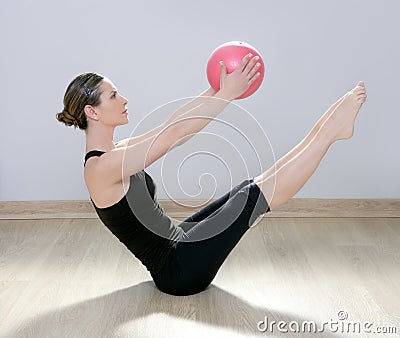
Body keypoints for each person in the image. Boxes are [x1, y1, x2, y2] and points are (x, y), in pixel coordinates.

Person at [56, 54, 367, 296]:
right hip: (178, 272)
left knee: (247, 188)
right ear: (92, 112)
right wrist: (226, 96)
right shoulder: (100, 169)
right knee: (252, 198)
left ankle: (331, 126)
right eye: (113, 96)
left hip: (178, 241)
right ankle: (330, 133)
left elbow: (171, 126)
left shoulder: (115, 152)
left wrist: (216, 89)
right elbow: (173, 136)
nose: (124, 100)